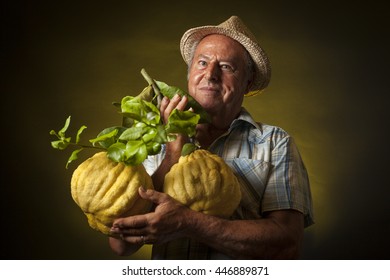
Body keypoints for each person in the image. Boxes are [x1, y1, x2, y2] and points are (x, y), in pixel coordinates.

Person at [109, 15, 314, 259]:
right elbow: (121, 245)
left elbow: (287, 245)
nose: (211, 74)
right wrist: (174, 149)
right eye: (203, 63)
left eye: (226, 66)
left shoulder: (274, 142)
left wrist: (189, 223)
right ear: (189, 73)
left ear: (247, 83)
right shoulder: (150, 139)